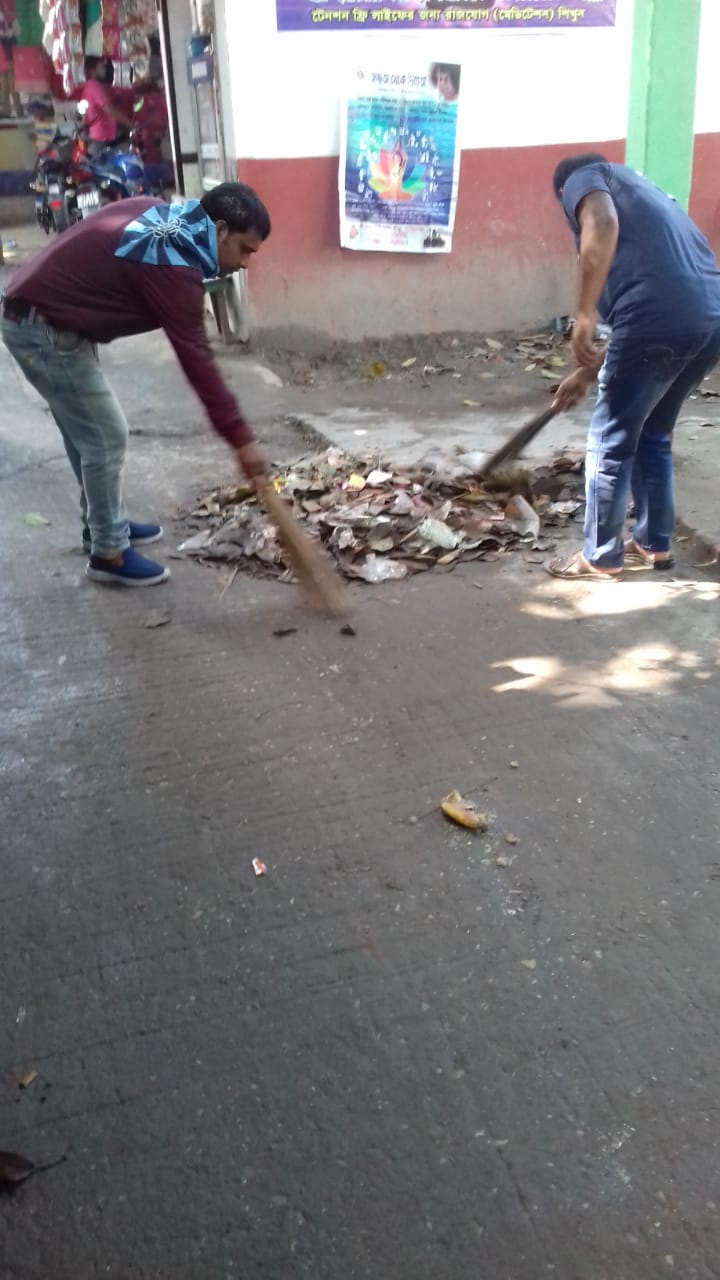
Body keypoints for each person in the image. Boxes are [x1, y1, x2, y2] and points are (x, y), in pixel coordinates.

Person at [1, 183, 271, 587]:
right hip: (40, 327)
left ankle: (102, 524)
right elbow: (198, 362)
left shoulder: (160, 214)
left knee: (87, 434)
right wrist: (241, 440)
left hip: (48, 315)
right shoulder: (176, 269)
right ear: (218, 230)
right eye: (245, 249)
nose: (246, 264)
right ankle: (108, 553)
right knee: (105, 434)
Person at [548, 153, 720, 580]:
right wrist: (588, 373)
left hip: (660, 318)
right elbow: (662, 310)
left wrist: (584, 316)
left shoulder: (582, 177)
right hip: (709, 317)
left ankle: (600, 556)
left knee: (610, 438)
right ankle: (652, 543)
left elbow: (602, 223)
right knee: (652, 430)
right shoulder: (644, 190)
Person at [81, 55, 132, 151]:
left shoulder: (88, 86)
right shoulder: (95, 87)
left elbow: (85, 115)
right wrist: (131, 125)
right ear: (92, 70)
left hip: (97, 138)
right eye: (101, 67)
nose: (104, 70)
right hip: (103, 140)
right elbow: (110, 110)